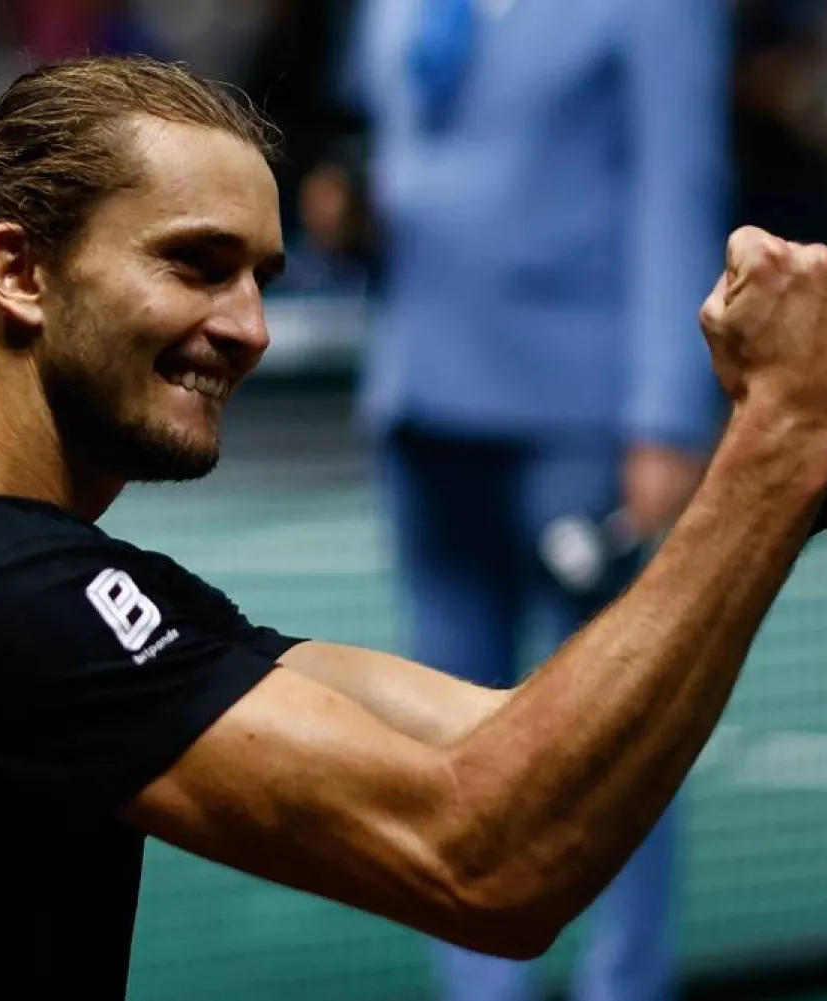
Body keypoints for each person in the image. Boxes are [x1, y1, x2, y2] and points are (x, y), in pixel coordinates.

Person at [0, 56, 827, 1001]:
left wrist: (785, 482)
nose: (249, 325)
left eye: (262, 278)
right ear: (18, 272)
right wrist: (774, 452)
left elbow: (506, 733)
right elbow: (492, 849)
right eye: (195, 263)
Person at [300, 2, 731, 996]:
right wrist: (350, 215)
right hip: (420, 394)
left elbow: (680, 186)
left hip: (579, 406)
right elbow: (390, 150)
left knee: (626, 728)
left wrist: (666, 412)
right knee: (441, 738)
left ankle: (628, 980)